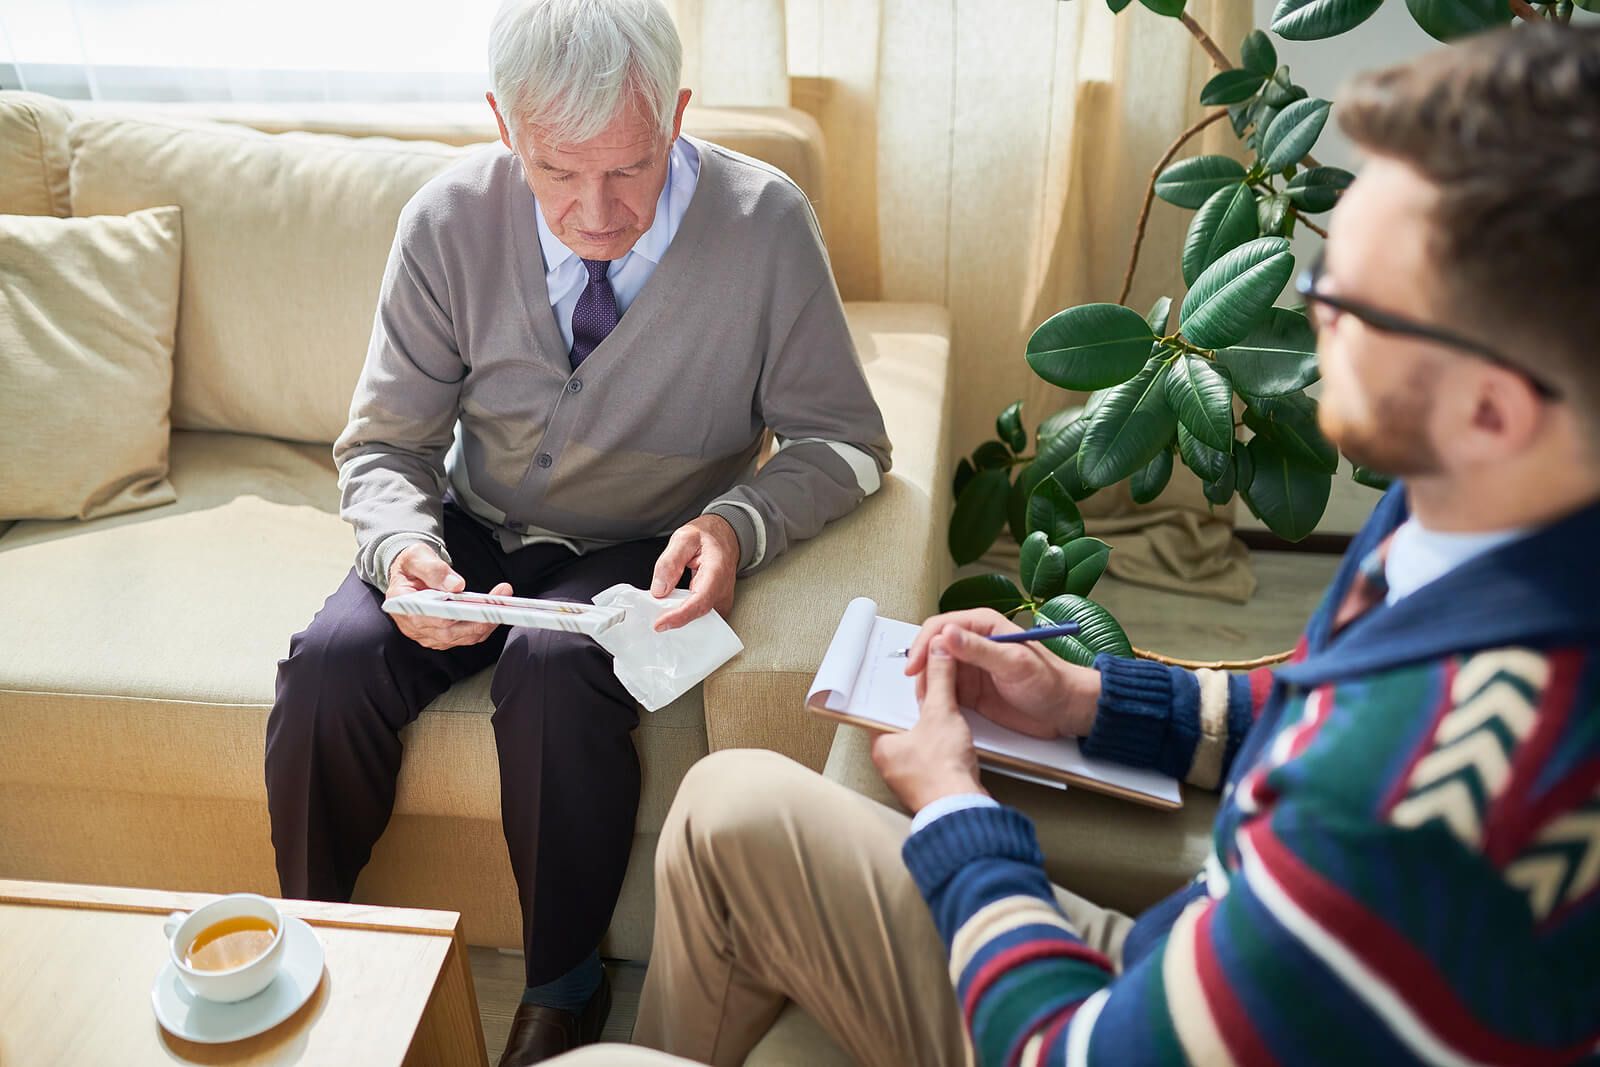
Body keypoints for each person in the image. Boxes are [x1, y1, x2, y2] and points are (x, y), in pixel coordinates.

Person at [626, 23, 1600, 1066]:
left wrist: (953, 803)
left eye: (1347, 301)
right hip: (1222, 966)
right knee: (726, 805)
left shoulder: (1417, 805)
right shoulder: (1482, 521)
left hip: (1123, 1028)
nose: (1307, 313)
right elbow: (1322, 703)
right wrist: (1091, 699)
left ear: (1493, 411)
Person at [263, 0, 890, 1061]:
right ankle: (324, 942)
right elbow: (382, 449)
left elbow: (850, 444)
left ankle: (562, 988)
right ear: (505, 128)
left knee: (552, 685)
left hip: (641, 537)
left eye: (631, 168)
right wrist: (403, 551)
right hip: (469, 522)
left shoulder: (765, 224)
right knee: (326, 668)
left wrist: (739, 523)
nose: (597, 212)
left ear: (678, 113)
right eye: (558, 172)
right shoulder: (446, 220)